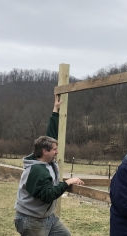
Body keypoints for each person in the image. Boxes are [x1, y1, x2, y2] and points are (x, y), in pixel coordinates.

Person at [14, 95, 84, 236]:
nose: (57, 152)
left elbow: (50, 135)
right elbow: (47, 195)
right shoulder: (37, 170)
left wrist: (55, 110)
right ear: (45, 151)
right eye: (54, 150)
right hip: (32, 220)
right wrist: (68, 182)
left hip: (47, 218)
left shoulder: (44, 158)